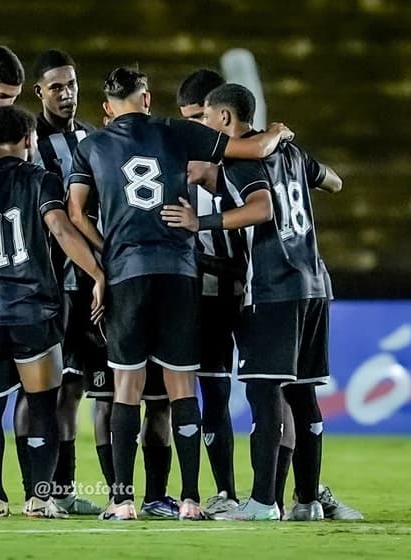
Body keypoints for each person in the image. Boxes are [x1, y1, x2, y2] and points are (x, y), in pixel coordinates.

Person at [68, 66, 292, 521]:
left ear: (108, 108)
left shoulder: (90, 144)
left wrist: (107, 250)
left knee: (126, 386)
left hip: (127, 272)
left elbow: (74, 211)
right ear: (147, 100)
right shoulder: (177, 130)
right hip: (179, 271)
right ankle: (190, 499)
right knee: (181, 384)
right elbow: (250, 148)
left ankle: (122, 500)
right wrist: (276, 133)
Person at [162, 82, 338, 521]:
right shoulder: (291, 154)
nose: (203, 128)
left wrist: (198, 221)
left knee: (264, 391)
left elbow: (262, 210)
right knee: (302, 395)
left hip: (275, 287)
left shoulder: (242, 155)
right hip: (315, 283)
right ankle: (309, 501)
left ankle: (262, 502)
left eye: (206, 118)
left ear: (223, 118)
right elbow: (334, 181)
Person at [0, 106, 105, 518]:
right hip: (33, 311)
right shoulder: (42, 179)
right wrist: (96, 273)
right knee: (42, 406)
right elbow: (59, 228)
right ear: (28, 139)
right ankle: (39, 498)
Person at [174, 68, 242, 518]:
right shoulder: (174, 164)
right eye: (186, 120)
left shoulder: (242, 167)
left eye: (200, 117)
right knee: (181, 397)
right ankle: (184, 494)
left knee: (227, 393)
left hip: (234, 292)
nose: (194, 129)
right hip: (187, 295)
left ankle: (235, 493)